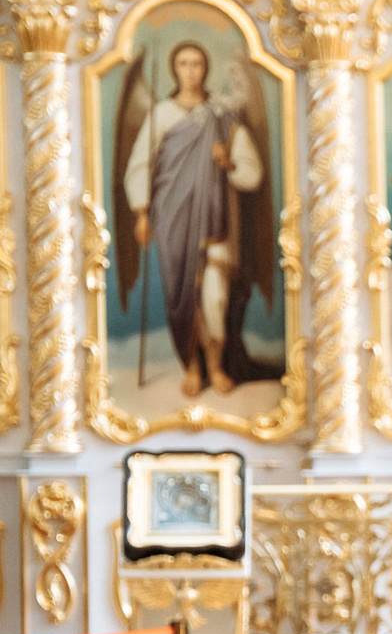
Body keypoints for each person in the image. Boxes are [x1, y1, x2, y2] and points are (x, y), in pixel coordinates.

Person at [116, 39, 277, 397]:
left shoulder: (222, 115)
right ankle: (191, 367)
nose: (190, 71)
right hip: (173, 217)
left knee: (215, 296)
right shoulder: (161, 114)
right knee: (182, 296)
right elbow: (140, 165)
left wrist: (228, 162)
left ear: (205, 69)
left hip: (217, 220)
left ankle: (216, 367)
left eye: (197, 64)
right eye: (183, 64)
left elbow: (253, 173)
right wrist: (142, 213)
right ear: (175, 70)